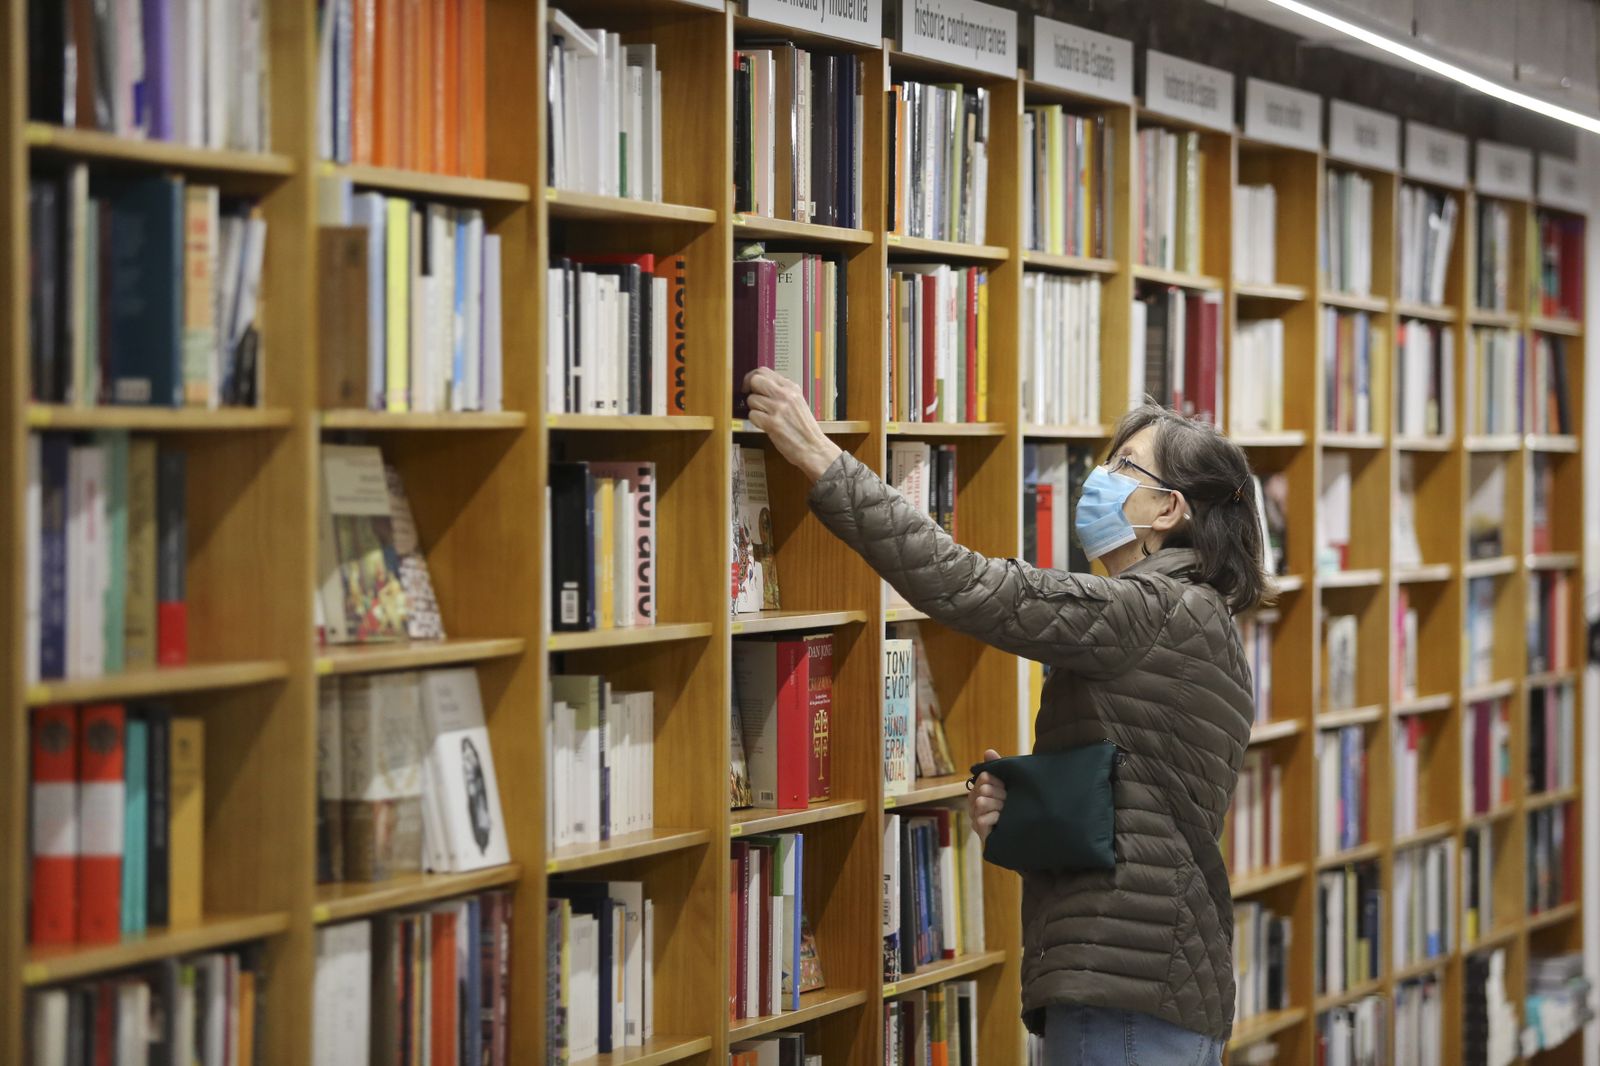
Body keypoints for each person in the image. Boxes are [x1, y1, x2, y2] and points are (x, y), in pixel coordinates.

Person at [743, 367, 1267, 1065]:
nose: (1098, 480)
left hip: (1127, 990)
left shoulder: (1156, 609)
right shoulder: (1194, 619)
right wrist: (1030, 813)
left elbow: (967, 584)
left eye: (1123, 467)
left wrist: (821, 457)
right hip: (1146, 980)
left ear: (1169, 509)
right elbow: (1148, 805)